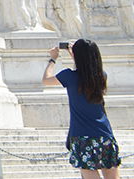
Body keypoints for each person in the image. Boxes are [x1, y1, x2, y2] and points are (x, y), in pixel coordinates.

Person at [42, 40, 121, 178]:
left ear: (77, 56)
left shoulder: (68, 76)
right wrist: (78, 54)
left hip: (82, 136)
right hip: (105, 134)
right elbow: (87, 68)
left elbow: (46, 80)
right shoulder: (102, 76)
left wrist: (53, 59)